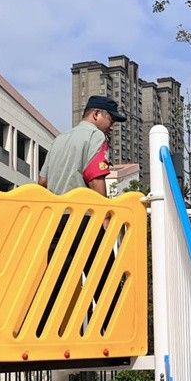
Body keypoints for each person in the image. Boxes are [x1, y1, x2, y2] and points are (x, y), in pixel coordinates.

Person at [35, 96, 126, 337]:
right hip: (85, 218)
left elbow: (42, 181)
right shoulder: (96, 137)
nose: (112, 126)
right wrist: (105, 217)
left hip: (58, 220)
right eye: (111, 119)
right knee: (103, 278)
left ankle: (42, 333)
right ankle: (113, 333)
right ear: (96, 114)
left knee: (56, 280)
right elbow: (95, 177)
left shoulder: (59, 140)